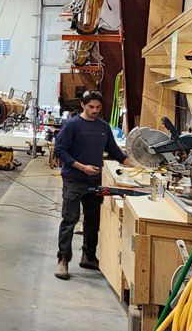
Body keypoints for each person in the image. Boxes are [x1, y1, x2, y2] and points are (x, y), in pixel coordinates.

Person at [52, 90, 134, 280]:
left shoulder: (103, 127)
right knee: (69, 221)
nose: (94, 110)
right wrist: (82, 167)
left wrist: (136, 164)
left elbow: (115, 152)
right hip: (74, 179)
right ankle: (63, 260)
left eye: (98, 107)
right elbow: (60, 151)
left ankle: (88, 256)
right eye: (91, 107)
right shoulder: (72, 125)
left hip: (95, 181)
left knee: (93, 221)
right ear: (83, 105)